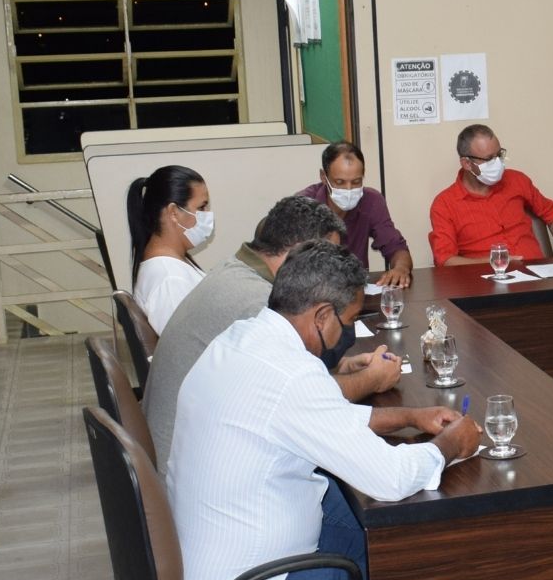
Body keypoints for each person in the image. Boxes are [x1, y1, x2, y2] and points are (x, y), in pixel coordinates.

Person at [165, 241, 482, 580]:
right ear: (322, 316)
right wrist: (449, 446)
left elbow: (323, 418)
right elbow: (391, 478)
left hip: (212, 563)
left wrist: (409, 417)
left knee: (355, 512)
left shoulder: (241, 339)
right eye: (347, 321)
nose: (346, 334)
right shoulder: (292, 374)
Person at [143, 195, 400, 458]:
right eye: (327, 259)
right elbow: (306, 401)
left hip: (183, 446)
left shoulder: (236, 269)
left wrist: (341, 366)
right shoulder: (260, 305)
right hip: (193, 459)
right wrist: (372, 379)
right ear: (300, 252)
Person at [428, 124, 553, 265]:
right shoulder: (445, 204)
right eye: (489, 159)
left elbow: (552, 213)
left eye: (499, 155)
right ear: (467, 163)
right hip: (487, 280)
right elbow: (445, 259)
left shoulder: (517, 180)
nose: (497, 163)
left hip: (537, 274)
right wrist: (496, 262)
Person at [297, 141, 412, 288]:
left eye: (356, 182)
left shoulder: (371, 200)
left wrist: (401, 269)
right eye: (340, 182)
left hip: (357, 292)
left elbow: (395, 246)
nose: (349, 189)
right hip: (313, 291)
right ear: (324, 177)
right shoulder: (304, 206)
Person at [128, 165, 210, 334]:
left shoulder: (171, 263)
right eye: (201, 207)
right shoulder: (170, 280)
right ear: (173, 212)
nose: (208, 215)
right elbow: (185, 344)